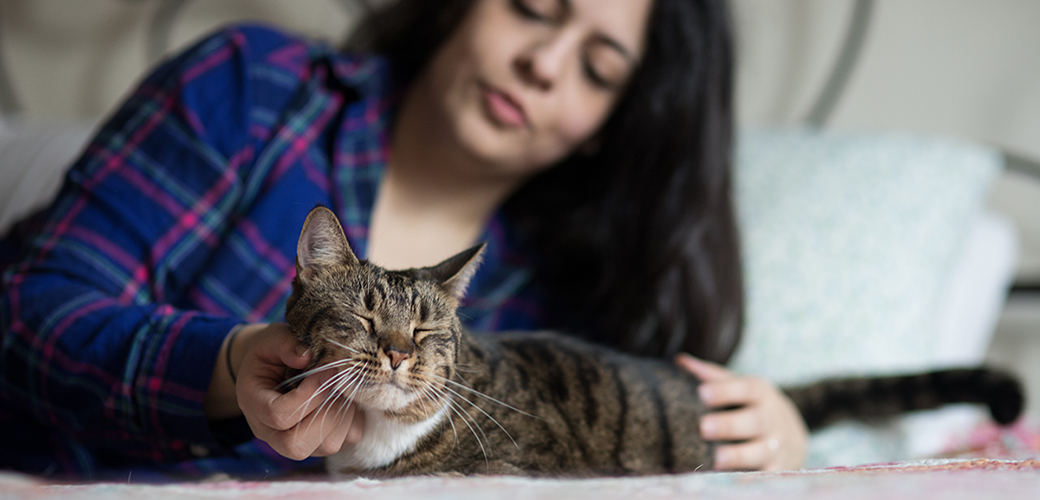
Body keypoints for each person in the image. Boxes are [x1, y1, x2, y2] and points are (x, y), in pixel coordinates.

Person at [0, 0, 807, 479]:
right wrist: (226, 366)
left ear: (611, 126)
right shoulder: (253, 91)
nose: (544, 65)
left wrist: (771, 434)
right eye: (532, 5)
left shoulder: (570, 289)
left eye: (597, 71)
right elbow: (24, 320)